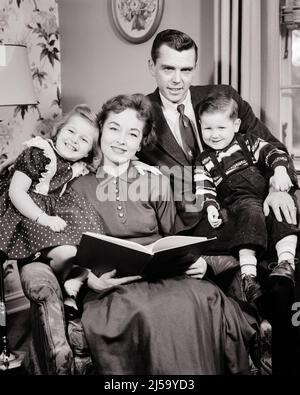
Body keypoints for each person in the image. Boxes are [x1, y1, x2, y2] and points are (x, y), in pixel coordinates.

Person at [69, 93, 257, 375]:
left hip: (163, 275)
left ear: (140, 143)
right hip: (112, 285)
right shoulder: (78, 187)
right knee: (146, 314)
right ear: (100, 130)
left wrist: (194, 259)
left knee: (203, 301)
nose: (121, 140)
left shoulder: (154, 180)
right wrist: (89, 279)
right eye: (114, 129)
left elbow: (173, 233)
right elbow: (70, 246)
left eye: (132, 134)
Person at [138, 29, 298, 247]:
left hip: (251, 204)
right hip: (196, 226)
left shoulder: (224, 98)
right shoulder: (141, 114)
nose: (177, 80)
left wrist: (276, 190)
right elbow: (109, 150)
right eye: (168, 69)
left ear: (195, 67)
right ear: (151, 66)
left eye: (186, 70)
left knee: (286, 215)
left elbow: (273, 147)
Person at [194, 91, 299, 304]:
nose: (214, 135)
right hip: (238, 202)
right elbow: (203, 188)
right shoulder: (204, 160)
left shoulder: (248, 142)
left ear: (236, 125)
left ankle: (286, 263)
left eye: (221, 128)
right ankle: (248, 277)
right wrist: (211, 207)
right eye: (208, 128)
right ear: (200, 125)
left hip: (263, 196)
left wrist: (279, 171)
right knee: (249, 213)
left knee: (283, 210)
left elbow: (274, 153)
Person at [0, 105, 105, 308]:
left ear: (89, 152)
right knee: (67, 252)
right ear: (58, 130)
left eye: (84, 139)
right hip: (26, 211)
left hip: (52, 213)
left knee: (83, 248)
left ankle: (72, 284)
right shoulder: (38, 153)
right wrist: (43, 218)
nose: (74, 140)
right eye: (71, 131)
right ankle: (74, 280)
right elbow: (16, 192)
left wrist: (142, 165)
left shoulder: (77, 166)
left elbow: (109, 165)